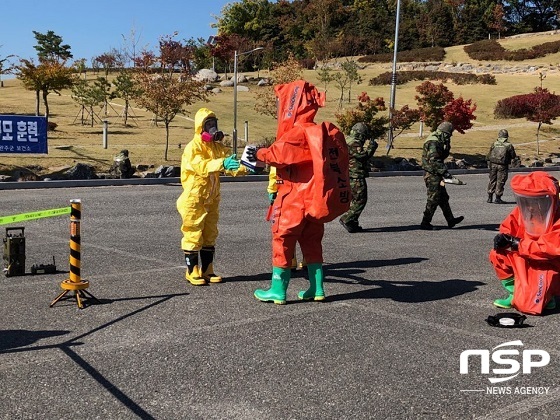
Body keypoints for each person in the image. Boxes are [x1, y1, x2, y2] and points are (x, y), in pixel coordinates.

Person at [245, 79, 349, 304]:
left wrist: (259, 153)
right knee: (312, 242)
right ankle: (317, 288)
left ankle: (278, 290)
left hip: (293, 198)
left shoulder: (298, 132)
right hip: (314, 198)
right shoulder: (321, 132)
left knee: (282, 240)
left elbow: (278, 155)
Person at [176, 107, 248, 286]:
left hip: (212, 197)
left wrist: (247, 167)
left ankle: (208, 270)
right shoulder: (193, 147)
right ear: (200, 127)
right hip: (195, 198)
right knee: (193, 233)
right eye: (208, 124)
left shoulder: (217, 147)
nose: (212, 128)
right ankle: (192, 270)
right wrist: (221, 162)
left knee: (210, 234)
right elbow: (201, 165)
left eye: (213, 124)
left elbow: (230, 165)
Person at [490, 171, 560, 315]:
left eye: (538, 200)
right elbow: (509, 226)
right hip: (527, 257)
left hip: (550, 264)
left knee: (528, 306)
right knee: (497, 254)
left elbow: (550, 248)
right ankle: (514, 293)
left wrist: (517, 244)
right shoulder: (527, 209)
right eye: (527, 200)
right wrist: (503, 238)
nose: (531, 205)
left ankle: (549, 294)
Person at [420, 121, 464, 230]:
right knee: (433, 198)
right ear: (444, 132)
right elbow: (435, 160)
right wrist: (445, 172)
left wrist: (447, 145)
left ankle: (450, 220)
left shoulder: (439, 140)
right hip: (432, 174)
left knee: (443, 197)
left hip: (437, 174)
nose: (450, 136)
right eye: (449, 134)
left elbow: (442, 156)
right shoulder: (433, 142)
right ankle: (425, 222)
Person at [339, 122, 378, 233]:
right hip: (356, 176)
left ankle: (353, 223)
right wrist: (372, 147)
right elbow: (362, 156)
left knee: (355, 199)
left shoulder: (347, 141)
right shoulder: (354, 143)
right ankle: (347, 219)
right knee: (361, 200)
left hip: (350, 174)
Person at [268, 166, 305, 270]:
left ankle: (291, 259)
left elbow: (274, 171)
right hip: (306, 192)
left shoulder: (280, 151)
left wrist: (272, 190)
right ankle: (308, 259)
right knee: (308, 229)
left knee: (286, 230)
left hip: (285, 194)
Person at [486, 129, 517, 204]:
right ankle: (498, 198)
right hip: (502, 166)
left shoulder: (494, 144)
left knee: (492, 180)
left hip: (493, 164)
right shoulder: (509, 145)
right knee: (500, 181)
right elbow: (513, 155)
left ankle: (489, 197)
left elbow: (488, 155)